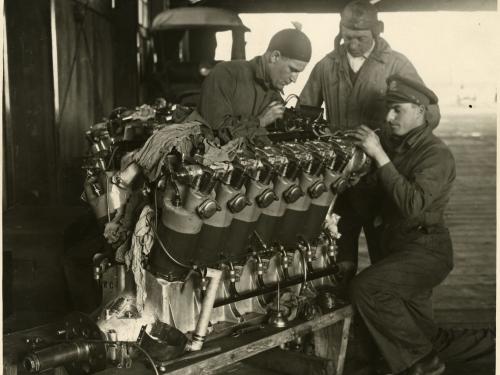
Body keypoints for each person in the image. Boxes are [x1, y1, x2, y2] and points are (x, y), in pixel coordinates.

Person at [300, 0, 440, 281]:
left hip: (382, 179)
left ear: (378, 30)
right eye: (347, 36)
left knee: (385, 259)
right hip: (338, 181)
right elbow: (305, 115)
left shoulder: (397, 64)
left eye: (360, 38)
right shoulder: (326, 66)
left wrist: (389, 142)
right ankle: (340, 314)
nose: (352, 44)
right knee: (337, 259)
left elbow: (431, 115)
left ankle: (378, 313)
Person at [348, 76, 455, 375]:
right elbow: (380, 196)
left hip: (426, 251)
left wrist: (379, 155)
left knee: (366, 289)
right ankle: (421, 356)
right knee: (420, 331)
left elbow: (411, 205)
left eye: (397, 110)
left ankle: (424, 363)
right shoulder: (401, 148)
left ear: (420, 111)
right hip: (399, 249)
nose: (388, 117)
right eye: (388, 110)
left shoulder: (436, 154)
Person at [198, 28, 312, 145]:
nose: (294, 79)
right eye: (292, 70)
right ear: (275, 56)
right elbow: (212, 134)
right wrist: (259, 121)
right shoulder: (226, 74)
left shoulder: (274, 94)